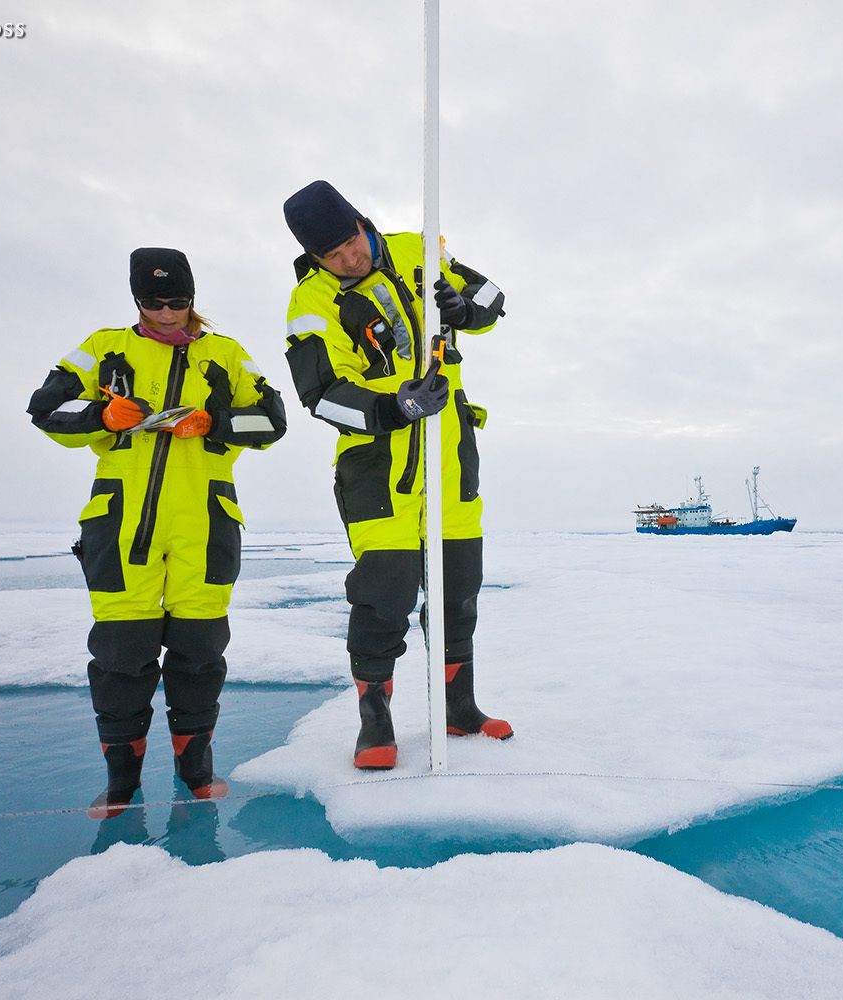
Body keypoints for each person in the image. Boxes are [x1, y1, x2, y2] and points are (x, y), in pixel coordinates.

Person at [27, 248, 287, 818]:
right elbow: (43, 408)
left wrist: (211, 422)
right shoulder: (103, 347)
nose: (166, 314)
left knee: (199, 653)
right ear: (136, 300)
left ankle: (195, 771)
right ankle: (121, 782)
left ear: (193, 301)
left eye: (178, 302)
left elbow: (273, 420)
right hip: (120, 528)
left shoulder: (225, 354)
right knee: (122, 654)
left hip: (205, 527)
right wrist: (102, 416)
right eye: (153, 302)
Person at [281, 179, 511, 770]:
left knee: (459, 586)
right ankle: (375, 722)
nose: (349, 259)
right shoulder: (311, 304)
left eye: (351, 243)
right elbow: (320, 395)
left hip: (451, 453)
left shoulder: (419, 250)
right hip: (377, 466)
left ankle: (460, 708)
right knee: (385, 594)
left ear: (362, 222)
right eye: (332, 257)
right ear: (315, 259)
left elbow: (491, 299)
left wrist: (463, 307)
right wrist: (393, 407)